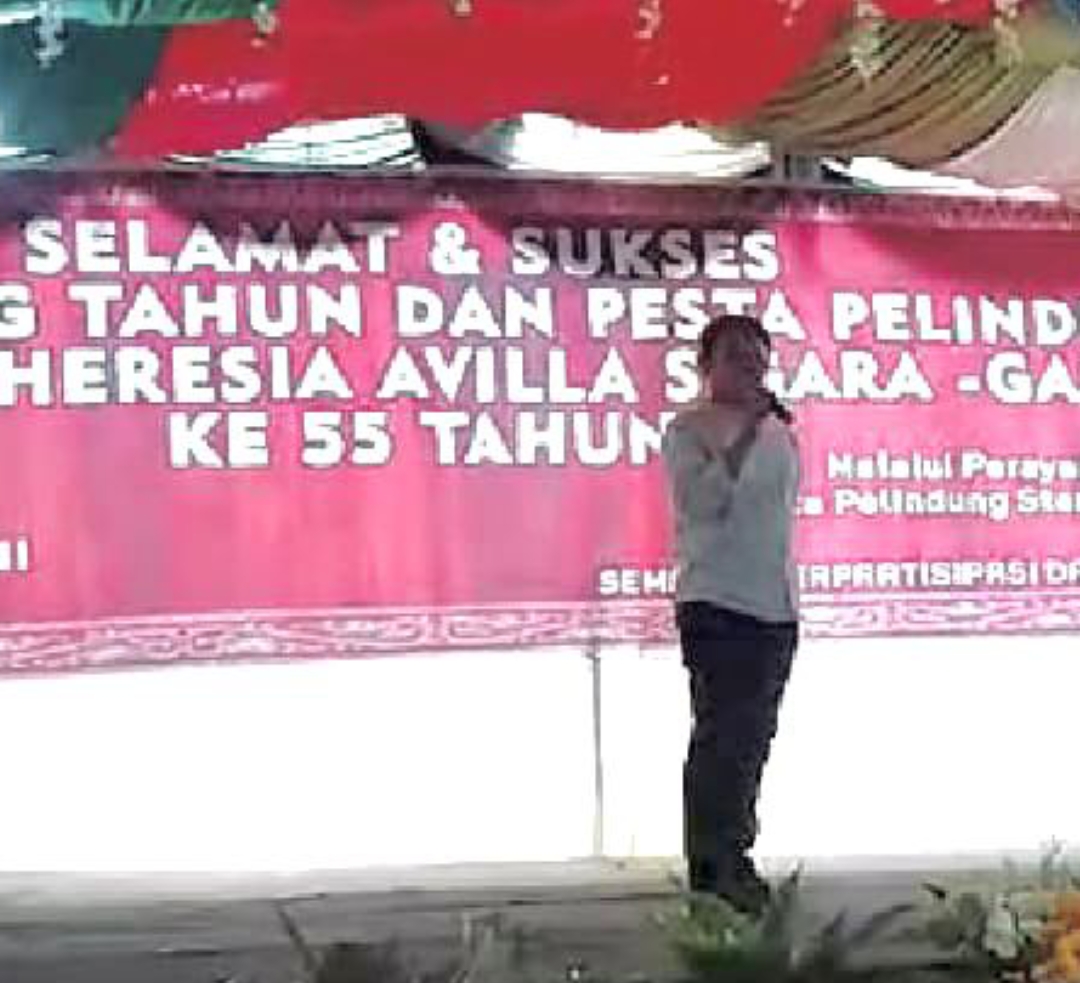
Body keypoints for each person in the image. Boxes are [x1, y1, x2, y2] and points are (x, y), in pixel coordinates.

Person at [661, 313, 799, 915]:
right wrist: (742, 437)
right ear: (706, 365)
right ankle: (710, 866)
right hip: (717, 602)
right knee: (720, 738)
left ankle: (738, 856)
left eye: (757, 359)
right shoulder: (689, 429)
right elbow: (704, 503)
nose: (749, 369)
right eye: (735, 357)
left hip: (773, 603)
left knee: (753, 740)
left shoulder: (779, 431)